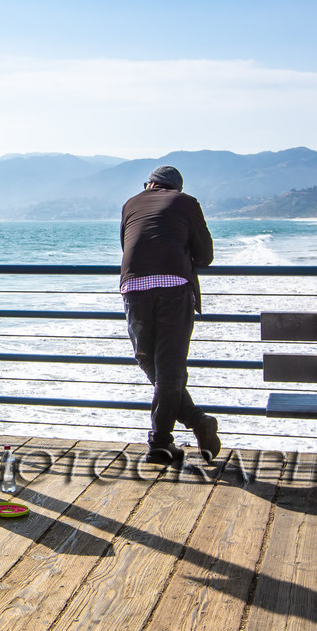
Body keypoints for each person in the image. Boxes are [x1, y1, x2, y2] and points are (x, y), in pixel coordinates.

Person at [119, 165, 219, 465]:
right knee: (170, 369)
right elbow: (205, 256)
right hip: (173, 289)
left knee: (147, 358)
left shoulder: (130, 203)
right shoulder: (186, 203)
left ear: (150, 185)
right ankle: (174, 436)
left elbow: (127, 245)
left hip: (134, 286)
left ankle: (176, 434)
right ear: (176, 188)